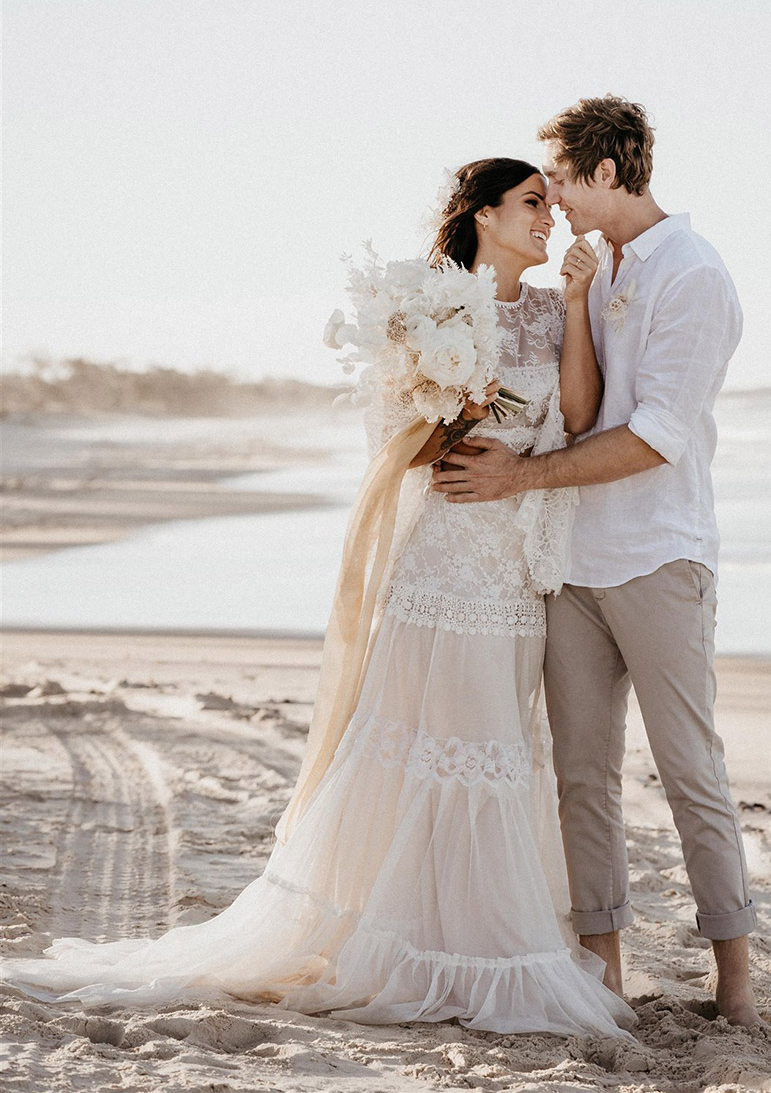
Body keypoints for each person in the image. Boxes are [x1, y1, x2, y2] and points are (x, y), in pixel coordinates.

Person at [2, 157, 635, 1039]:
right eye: (533, 204)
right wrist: (451, 407)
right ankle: (403, 938)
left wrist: (572, 306)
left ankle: (474, 934)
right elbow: (396, 443)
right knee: (416, 747)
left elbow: (578, 413)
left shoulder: (546, 309)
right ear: (484, 216)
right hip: (438, 561)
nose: (550, 220)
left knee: (492, 749)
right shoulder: (426, 302)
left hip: (511, 570)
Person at [433, 101, 762, 1029]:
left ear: (607, 173)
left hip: (659, 555)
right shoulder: (600, 265)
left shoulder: (694, 275)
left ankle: (734, 976)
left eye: (565, 183)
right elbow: (577, 408)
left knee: (690, 767)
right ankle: (603, 968)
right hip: (571, 561)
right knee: (582, 773)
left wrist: (520, 479)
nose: (559, 203)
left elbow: (657, 434)